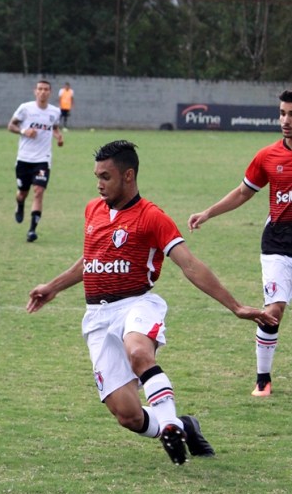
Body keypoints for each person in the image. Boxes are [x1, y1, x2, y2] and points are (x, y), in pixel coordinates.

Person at [27, 140, 276, 465]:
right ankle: (181, 426)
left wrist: (236, 306)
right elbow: (91, 260)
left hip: (137, 305)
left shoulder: (152, 217)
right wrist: (53, 287)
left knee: (138, 352)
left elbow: (190, 265)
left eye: (106, 177)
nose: (99, 184)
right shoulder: (93, 210)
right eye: (97, 177)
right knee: (127, 415)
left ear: (128, 176)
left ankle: (169, 424)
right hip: (98, 316)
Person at [188, 89, 292, 397]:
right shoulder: (268, 156)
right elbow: (244, 192)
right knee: (274, 310)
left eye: (291, 115)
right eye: (282, 113)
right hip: (277, 242)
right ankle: (263, 379)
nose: (286, 121)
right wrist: (208, 212)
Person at [7, 80, 64, 242]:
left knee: (38, 192)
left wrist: (58, 136)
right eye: (40, 89)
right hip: (24, 159)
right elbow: (10, 126)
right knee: (22, 193)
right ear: (35, 91)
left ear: (50, 92)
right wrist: (24, 131)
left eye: (46, 89)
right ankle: (20, 204)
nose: (43, 92)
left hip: (43, 159)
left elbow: (54, 127)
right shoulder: (25, 108)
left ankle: (32, 230)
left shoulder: (55, 112)